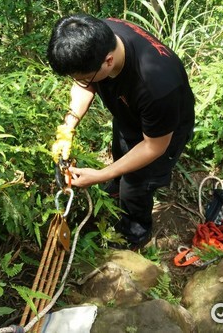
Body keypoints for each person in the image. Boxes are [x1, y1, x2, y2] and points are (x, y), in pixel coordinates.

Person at [47, 13, 195, 249]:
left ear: (108, 61)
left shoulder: (158, 85)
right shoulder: (97, 35)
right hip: (129, 114)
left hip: (163, 132)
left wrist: (100, 175)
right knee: (121, 156)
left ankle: (135, 232)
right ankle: (117, 188)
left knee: (138, 184)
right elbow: (84, 84)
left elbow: (153, 146)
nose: (82, 81)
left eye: (86, 77)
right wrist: (69, 125)